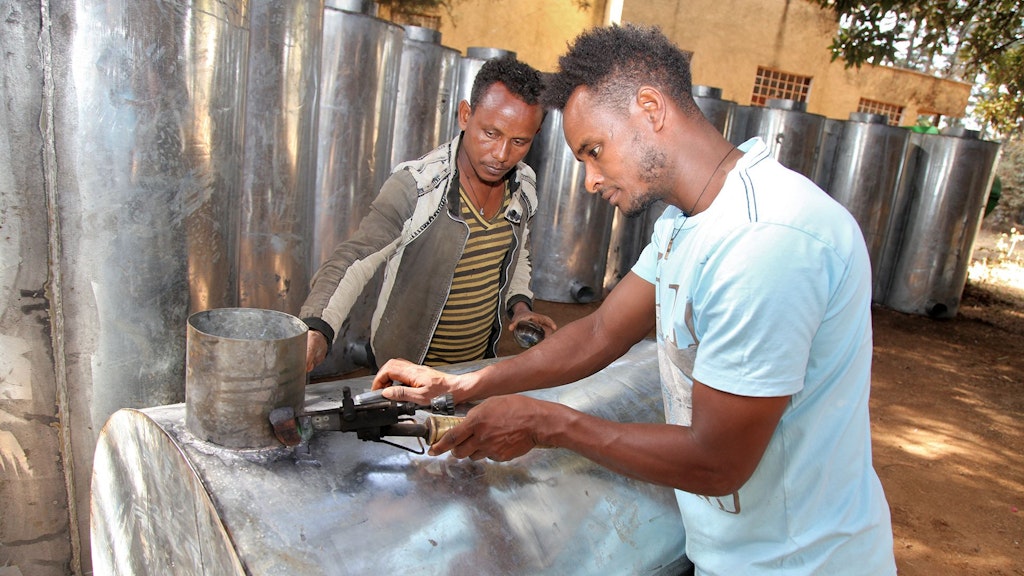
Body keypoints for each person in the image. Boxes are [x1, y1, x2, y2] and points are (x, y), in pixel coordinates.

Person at [371, 25, 897, 575]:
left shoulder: (766, 239)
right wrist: (463, 384)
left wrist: (548, 425)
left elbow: (718, 463)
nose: (591, 180)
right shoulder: (685, 226)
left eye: (594, 151)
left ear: (650, 108)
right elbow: (601, 333)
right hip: (732, 557)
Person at [300, 54, 557, 373]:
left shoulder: (524, 186)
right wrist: (317, 328)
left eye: (519, 141)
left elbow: (517, 256)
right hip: (404, 374)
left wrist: (520, 310)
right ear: (465, 115)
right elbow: (354, 258)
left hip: (475, 372)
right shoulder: (418, 186)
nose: (502, 155)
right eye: (491, 133)